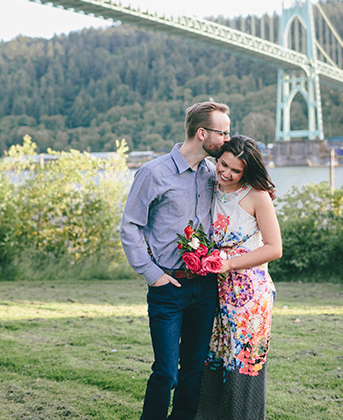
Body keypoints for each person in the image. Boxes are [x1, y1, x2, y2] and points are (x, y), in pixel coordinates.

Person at [120, 101, 231, 420]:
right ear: (201, 133)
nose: (227, 138)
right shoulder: (153, 173)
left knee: (194, 368)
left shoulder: (214, 173)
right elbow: (130, 226)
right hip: (168, 286)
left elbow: (242, 192)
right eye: (222, 132)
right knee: (166, 373)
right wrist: (152, 273)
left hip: (206, 287)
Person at [195, 135, 283, 420]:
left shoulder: (257, 196)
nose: (226, 173)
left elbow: (274, 248)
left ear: (247, 172)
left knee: (243, 361)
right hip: (213, 288)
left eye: (235, 170)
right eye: (223, 164)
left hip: (248, 295)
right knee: (212, 357)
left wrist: (229, 263)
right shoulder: (209, 185)